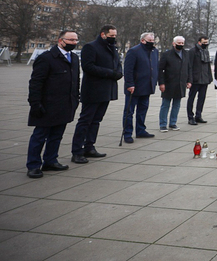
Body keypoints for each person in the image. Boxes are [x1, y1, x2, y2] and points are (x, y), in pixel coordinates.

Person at [26, 30, 80, 178]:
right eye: (70, 40)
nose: (74, 43)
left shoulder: (74, 58)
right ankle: (33, 165)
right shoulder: (46, 58)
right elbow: (36, 83)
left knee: (57, 135)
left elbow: (76, 81)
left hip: (65, 104)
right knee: (39, 136)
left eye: (76, 40)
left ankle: (50, 160)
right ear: (60, 40)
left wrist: (76, 98)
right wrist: (35, 104)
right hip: (47, 105)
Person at [70, 25, 122, 164]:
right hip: (93, 90)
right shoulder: (91, 47)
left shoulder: (112, 48)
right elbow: (88, 67)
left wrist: (118, 72)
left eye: (115, 36)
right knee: (85, 120)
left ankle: (89, 146)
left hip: (107, 90)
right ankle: (77, 151)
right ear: (103, 34)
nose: (113, 38)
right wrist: (110, 73)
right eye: (111, 36)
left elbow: (117, 64)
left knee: (96, 120)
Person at [122, 32, 158, 143]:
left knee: (142, 110)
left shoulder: (154, 51)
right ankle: (127, 133)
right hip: (135, 86)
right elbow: (128, 70)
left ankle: (140, 130)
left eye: (153, 41)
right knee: (129, 112)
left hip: (147, 86)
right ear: (143, 40)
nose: (151, 43)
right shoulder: (134, 51)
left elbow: (155, 67)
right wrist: (129, 84)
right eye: (149, 41)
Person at [157, 36, 192, 132]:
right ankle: (163, 124)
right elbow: (160, 69)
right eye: (179, 43)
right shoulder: (167, 54)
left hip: (180, 83)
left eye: (182, 43)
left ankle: (173, 123)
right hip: (169, 83)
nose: (180, 45)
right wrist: (161, 83)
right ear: (173, 43)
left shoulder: (186, 54)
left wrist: (189, 80)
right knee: (165, 104)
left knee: (177, 105)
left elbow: (189, 68)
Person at [186, 35, 212, 125]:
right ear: (199, 42)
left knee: (202, 98)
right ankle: (190, 117)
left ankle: (198, 115)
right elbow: (189, 66)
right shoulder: (192, 52)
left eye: (207, 42)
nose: (206, 44)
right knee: (191, 98)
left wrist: (209, 77)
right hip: (195, 79)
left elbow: (208, 65)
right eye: (204, 42)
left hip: (204, 79)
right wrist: (189, 79)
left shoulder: (206, 51)